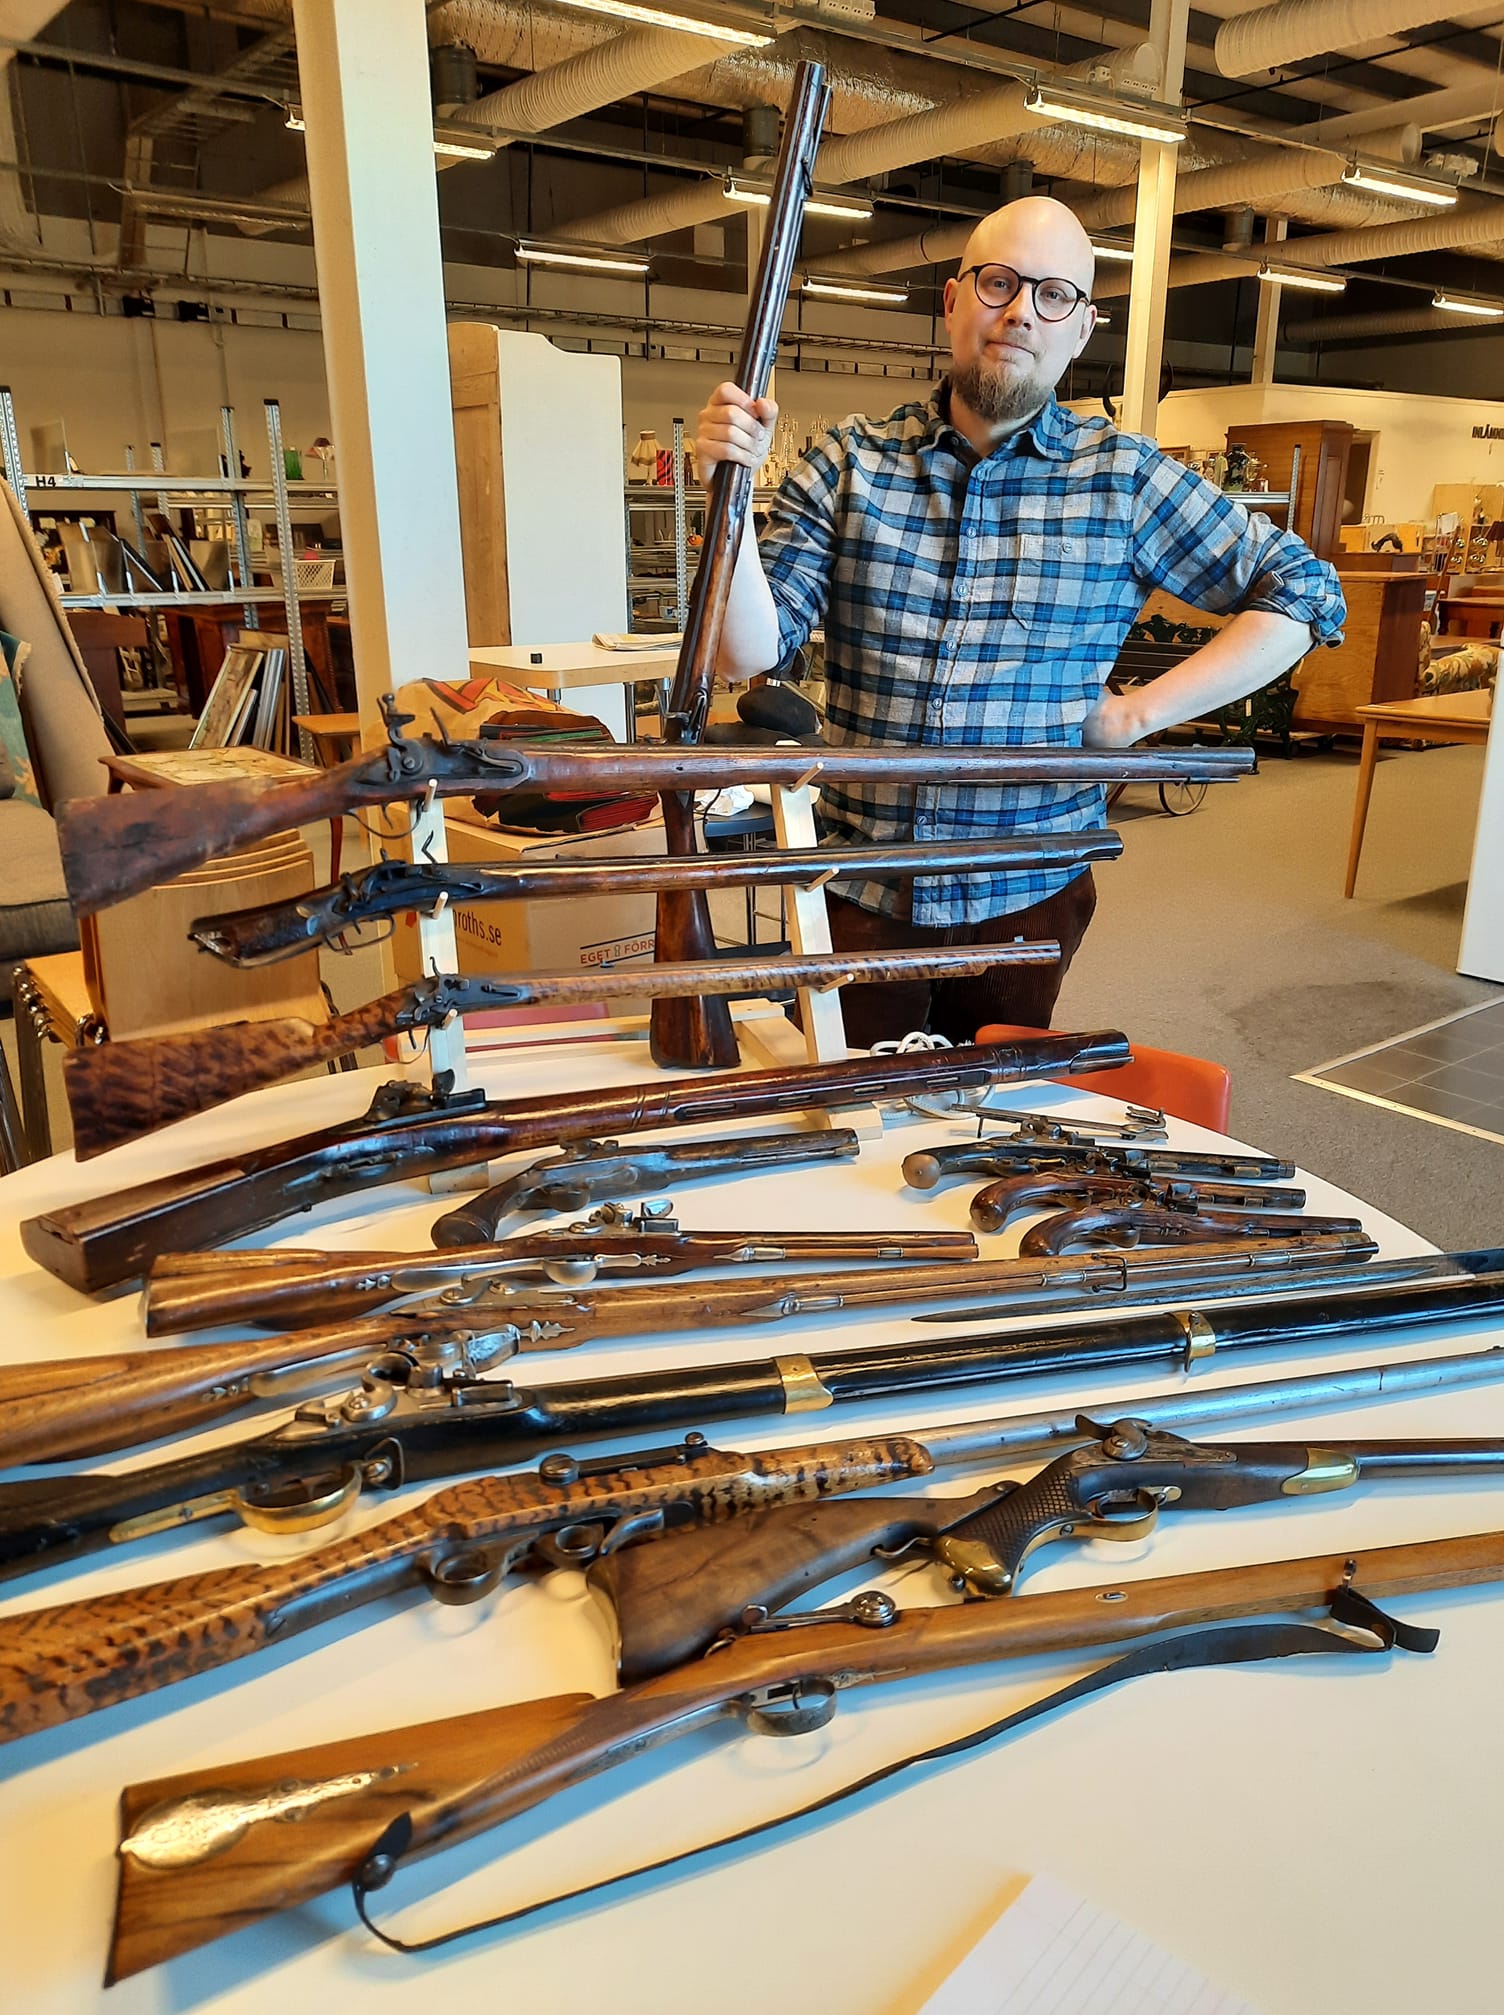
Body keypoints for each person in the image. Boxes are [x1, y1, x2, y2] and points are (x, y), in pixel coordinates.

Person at [695, 195, 1346, 1048]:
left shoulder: (1124, 479)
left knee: (998, 1105)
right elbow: (747, 650)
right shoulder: (849, 462)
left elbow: (1305, 589)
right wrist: (730, 495)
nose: (1021, 313)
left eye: (1054, 294)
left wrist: (1136, 715)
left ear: (1082, 329)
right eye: (998, 282)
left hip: (1031, 893)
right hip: (865, 884)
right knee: (845, 1105)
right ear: (952, 300)